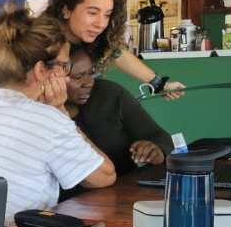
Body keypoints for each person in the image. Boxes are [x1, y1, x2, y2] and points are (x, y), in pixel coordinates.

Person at [0, 8, 115, 219]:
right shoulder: (48, 120)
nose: (65, 77)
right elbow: (105, 176)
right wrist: (60, 111)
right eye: (63, 66)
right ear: (41, 70)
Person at [46, 0, 185, 99]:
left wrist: (160, 84)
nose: (101, 24)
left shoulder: (97, 41)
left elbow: (117, 53)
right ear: (66, 10)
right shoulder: (43, 43)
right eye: (92, 13)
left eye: (107, 15)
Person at [66, 46, 174, 175]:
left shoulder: (110, 94)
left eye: (91, 73)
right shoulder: (46, 116)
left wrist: (156, 150)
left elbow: (161, 137)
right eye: (78, 76)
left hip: (125, 184)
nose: (89, 83)